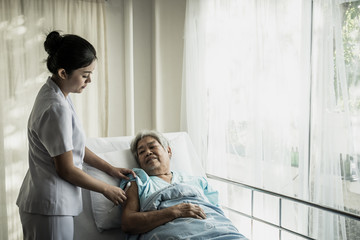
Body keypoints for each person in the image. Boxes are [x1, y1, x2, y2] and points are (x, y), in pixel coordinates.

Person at [16, 30, 136, 240]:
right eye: (84, 74)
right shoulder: (56, 108)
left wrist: (110, 169)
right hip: (50, 207)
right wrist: (106, 189)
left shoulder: (56, 93)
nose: (89, 81)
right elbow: (66, 169)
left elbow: (71, 146)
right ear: (63, 73)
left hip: (44, 200)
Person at [120, 130, 247, 239]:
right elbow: (128, 223)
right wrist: (175, 211)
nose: (148, 152)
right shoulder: (138, 180)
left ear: (168, 151)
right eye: (141, 152)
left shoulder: (198, 181)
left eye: (152, 147)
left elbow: (216, 214)